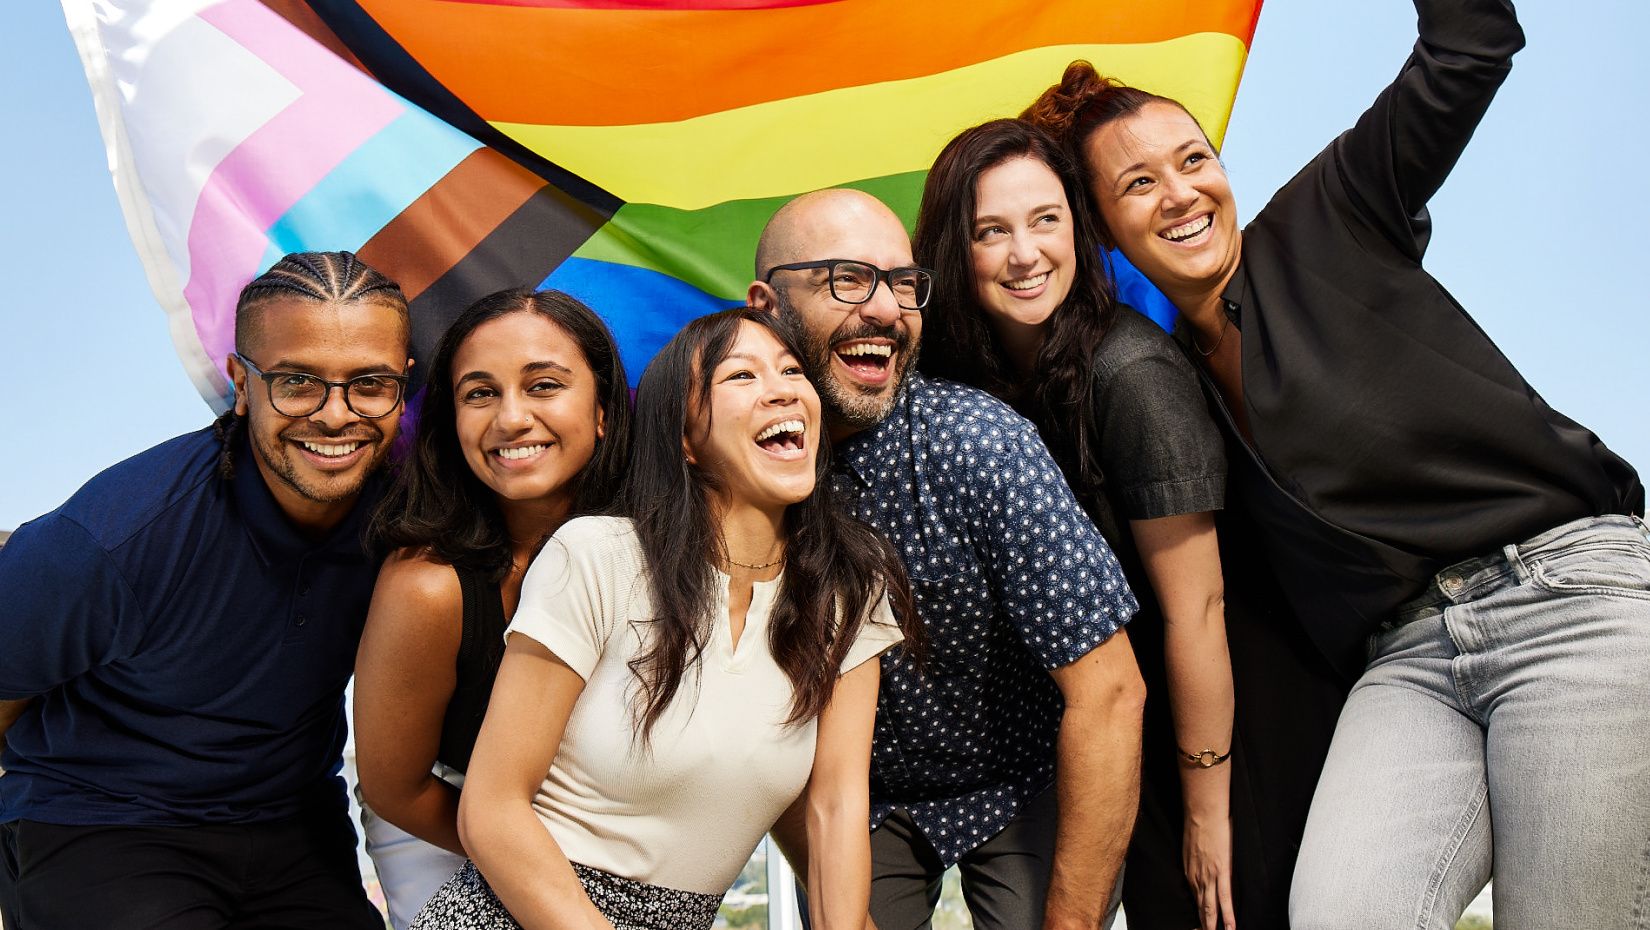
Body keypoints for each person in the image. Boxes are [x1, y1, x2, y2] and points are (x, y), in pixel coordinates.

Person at [1024, 0, 1650, 925]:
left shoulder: (1331, 212)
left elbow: (1471, 47)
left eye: (1194, 160)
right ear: (1105, 233)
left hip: (1565, 601)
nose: (1182, 193)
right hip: (1408, 661)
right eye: (1140, 184)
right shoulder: (1167, 386)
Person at [912, 117, 1343, 930]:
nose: (1025, 253)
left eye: (1046, 220)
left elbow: (1198, 608)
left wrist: (1208, 808)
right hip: (1116, 717)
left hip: (1229, 711)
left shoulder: (1131, 372)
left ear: (1080, 226)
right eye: (990, 231)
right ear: (952, 249)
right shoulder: (979, 376)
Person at [409, 308, 916, 930]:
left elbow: (836, 806)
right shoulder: (595, 555)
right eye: (741, 377)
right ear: (685, 436)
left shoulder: (847, 592)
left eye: (790, 371)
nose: (782, 389)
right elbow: (490, 809)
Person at [747, 188, 1144, 930]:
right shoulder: (733, 470)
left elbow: (1111, 693)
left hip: (1022, 778)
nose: (886, 310)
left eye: (903, 283)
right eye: (847, 278)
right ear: (767, 304)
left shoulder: (982, 445)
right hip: (850, 797)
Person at [0, 251, 411, 930]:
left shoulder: (407, 514)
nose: (336, 415)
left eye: (368, 383)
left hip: (293, 822)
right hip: (104, 823)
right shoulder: (112, 537)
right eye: (297, 382)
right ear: (241, 384)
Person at [353, 288, 632, 928]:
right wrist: (536, 862)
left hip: (621, 852)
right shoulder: (428, 586)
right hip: (442, 833)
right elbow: (398, 788)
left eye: (543, 386)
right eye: (480, 394)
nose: (511, 419)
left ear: (604, 413)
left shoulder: (657, 554)